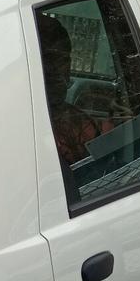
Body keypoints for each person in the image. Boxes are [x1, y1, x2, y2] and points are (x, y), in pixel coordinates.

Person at [37, 13, 111, 169]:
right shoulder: (27, 126)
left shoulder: (68, 115)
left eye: (64, 60)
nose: (59, 71)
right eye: (49, 61)